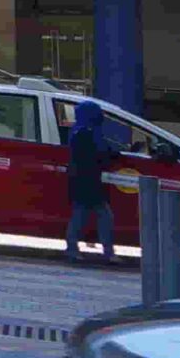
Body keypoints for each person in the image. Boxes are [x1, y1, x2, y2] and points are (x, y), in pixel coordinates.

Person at [66, 103, 119, 263]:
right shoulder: (86, 133)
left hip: (83, 181)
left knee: (81, 215)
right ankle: (107, 252)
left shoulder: (80, 131)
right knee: (102, 216)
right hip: (88, 181)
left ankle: (74, 249)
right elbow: (100, 154)